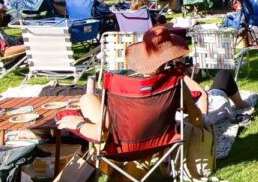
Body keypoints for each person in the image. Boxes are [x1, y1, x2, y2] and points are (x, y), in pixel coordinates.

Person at [57, 26, 210, 141]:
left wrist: (77, 123)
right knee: (88, 99)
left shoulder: (123, 86)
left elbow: (101, 135)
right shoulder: (175, 84)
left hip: (119, 145)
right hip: (160, 143)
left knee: (87, 98)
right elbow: (197, 119)